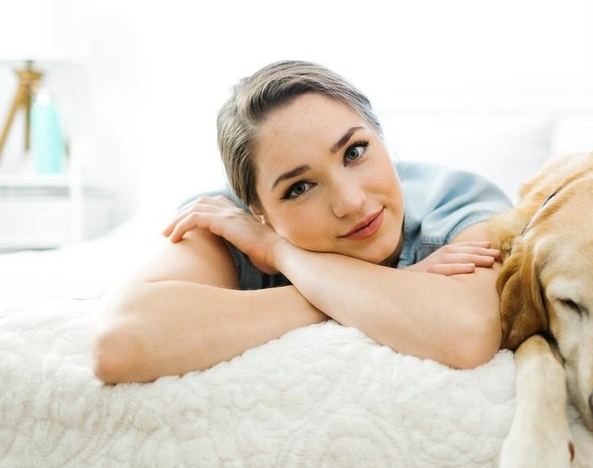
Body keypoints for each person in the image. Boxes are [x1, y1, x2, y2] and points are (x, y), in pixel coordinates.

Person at [92, 60, 512, 383]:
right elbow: (121, 344)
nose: (351, 202)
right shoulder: (223, 221)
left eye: (355, 152)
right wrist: (385, 293)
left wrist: (283, 254)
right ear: (256, 211)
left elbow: (466, 335)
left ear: (381, 137)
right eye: (298, 188)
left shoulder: (461, 203)